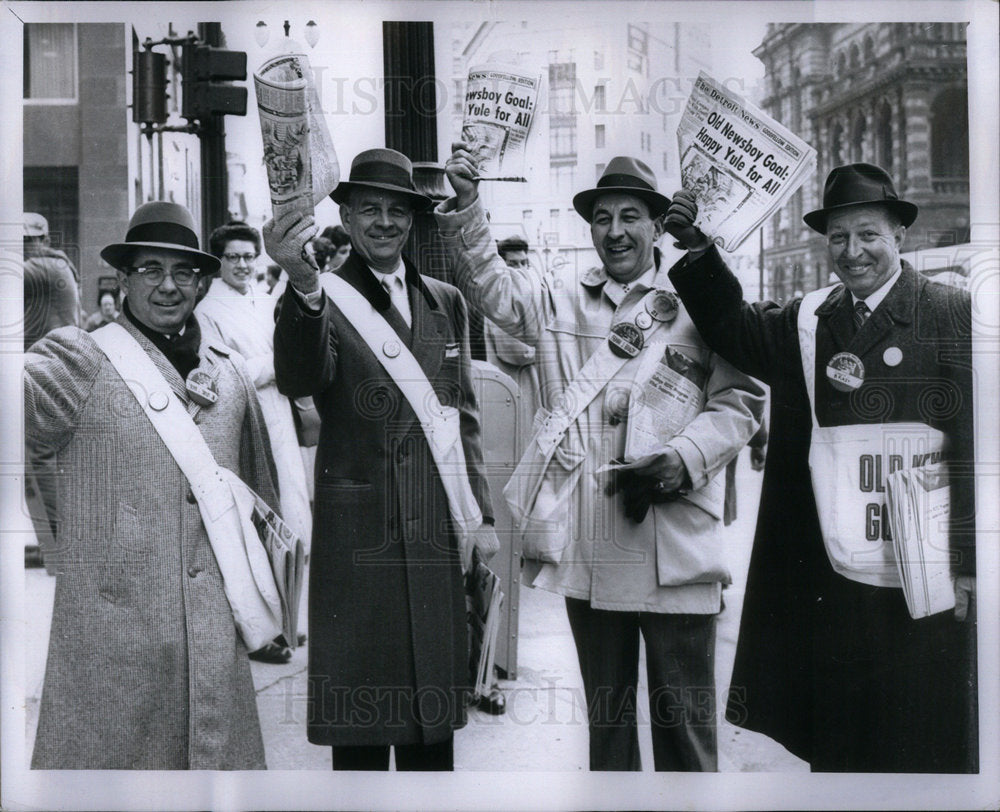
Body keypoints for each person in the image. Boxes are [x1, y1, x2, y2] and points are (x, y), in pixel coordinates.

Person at [438, 148, 765, 771]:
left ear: (656, 225)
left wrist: (684, 458)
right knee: (607, 730)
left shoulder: (700, 296)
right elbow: (490, 289)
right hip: (592, 546)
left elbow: (743, 400)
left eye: (631, 216)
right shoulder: (559, 300)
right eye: (603, 217)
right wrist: (470, 206)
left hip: (676, 541)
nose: (615, 231)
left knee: (686, 731)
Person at [664, 163, 977, 773]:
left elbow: (975, 449)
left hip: (927, 578)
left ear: (899, 237)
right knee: (842, 743)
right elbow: (735, 329)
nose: (853, 252)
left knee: (926, 739)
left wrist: (969, 566)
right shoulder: (810, 320)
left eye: (868, 235)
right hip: (835, 581)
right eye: (838, 238)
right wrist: (701, 252)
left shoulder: (951, 314)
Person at [266, 148, 498, 771]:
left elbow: (463, 418)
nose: (385, 222)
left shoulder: (445, 301)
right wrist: (304, 290)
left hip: (434, 536)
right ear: (345, 213)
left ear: (415, 221)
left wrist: (483, 520)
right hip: (358, 539)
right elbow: (299, 377)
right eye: (369, 208)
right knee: (362, 738)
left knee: (431, 737)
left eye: (399, 210)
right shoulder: (321, 296)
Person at [24, 201, 278, 769]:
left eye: (183, 272)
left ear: (200, 281)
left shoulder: (230, 373)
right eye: (150, 270)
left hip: (212, 643)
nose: (168, 286)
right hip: (111, 649)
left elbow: (263, 501)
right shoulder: (77, 359)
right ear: (122, 279)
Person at [196, 220, 314, 664]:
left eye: (249, 256)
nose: (243, 264)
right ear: (219, 262)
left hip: (279, 410)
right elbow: (227, 371)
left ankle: (291, 619)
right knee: (257, 515)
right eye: (233, 257)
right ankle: (260, 629)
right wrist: (279, 362)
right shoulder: (208, 309)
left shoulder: (263, 301)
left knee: (293, 507)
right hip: (246, 415)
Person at [23, 212, 81, 350]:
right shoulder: (55, 263)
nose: (22, 245)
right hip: (54, 353)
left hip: (51, 357)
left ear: (46, 242)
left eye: (29, 240)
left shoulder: (46, 266)